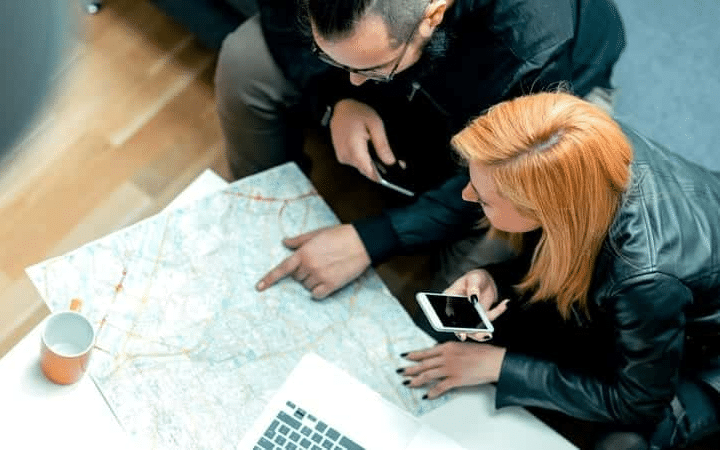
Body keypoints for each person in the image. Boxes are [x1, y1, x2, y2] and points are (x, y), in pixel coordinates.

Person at [215, 0, 627, 298]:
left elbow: (499, 172)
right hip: (416, 64)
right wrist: (334, 98)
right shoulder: (365, 61)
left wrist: (373, 239)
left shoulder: (531, 46)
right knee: (246, 60)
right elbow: (283, 16)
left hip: (543, 94)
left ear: (433, 13)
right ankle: (260, 222)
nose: (356, 82)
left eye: (369, 71)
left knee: (475, 274)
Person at [397, 92, 720, 450]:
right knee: (469, 323)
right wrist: (493, 278)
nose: (468, 196)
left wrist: (500, 367)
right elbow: (557, 249)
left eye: (485, 198)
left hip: (705, 351)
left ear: (544, 210)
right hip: (668, 280)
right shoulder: (575, 149)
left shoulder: (644, 279)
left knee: (624, 444)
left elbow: (638, 401)